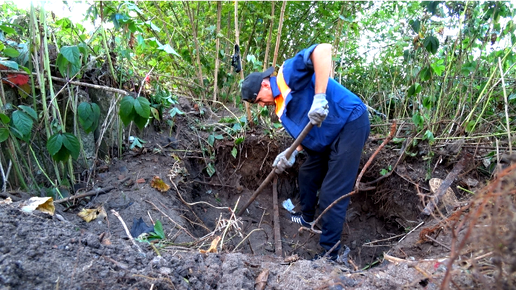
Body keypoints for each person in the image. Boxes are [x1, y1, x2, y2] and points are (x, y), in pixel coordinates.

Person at [240, 43, 370, 261]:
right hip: (325, 137)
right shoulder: (280, 107)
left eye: (259, 100)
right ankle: (308, 218)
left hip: (349, 123)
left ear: (264, 85)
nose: (261, 105)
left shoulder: (288, 74)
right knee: (306, 173)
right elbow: (302, 134)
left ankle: (331, 253)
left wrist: (320, 97)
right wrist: (290, 153)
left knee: (332, 193)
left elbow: (323, 50)